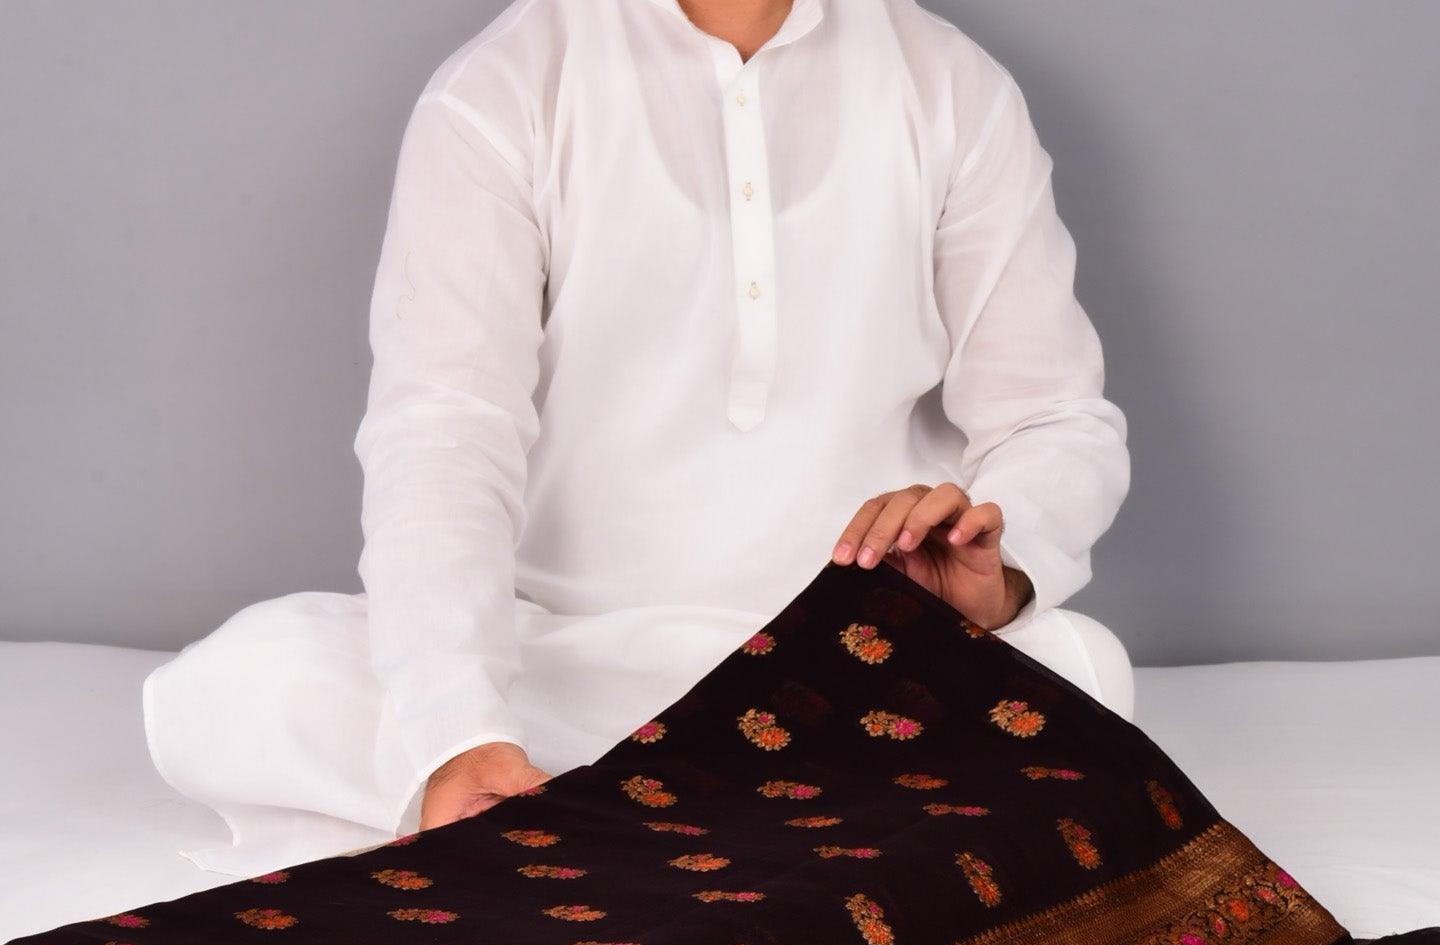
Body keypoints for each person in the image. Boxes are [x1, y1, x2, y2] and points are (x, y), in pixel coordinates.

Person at [145, 0, 1132, 876]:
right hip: (567, 652)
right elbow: (442, 433)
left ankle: (611, 819)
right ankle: (756, 815)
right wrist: (461, 735)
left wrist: (993, 579)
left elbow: (1053, 417)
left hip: (858, 656)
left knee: (1085, 670)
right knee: (248, 681)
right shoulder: (506, 86)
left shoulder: (952, 86)